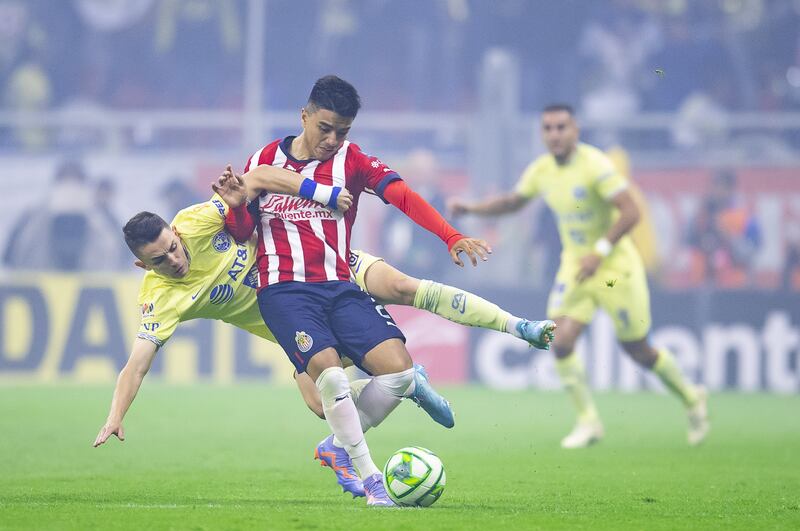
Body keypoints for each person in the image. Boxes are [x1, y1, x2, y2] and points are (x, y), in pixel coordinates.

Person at [93, 166, 555, 496]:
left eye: (172, 248)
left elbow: (263, 177)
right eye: (160, 260)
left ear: (175, 232)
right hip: (293, 319)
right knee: (321, 405)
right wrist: (116, 416)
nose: (174, 259)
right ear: (142, 265)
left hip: (321, 267)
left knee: (402, 286)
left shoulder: (195, 220)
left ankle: (517, 327)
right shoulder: (162, 297)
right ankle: (407, 382)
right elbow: (137, 364)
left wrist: (321, 192)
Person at [221, 75, 518, 507]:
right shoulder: (264, 159)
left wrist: (450, 236)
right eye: (325, 128)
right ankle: (373, 482)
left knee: (399, 372)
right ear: (304, 116)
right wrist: (234, 208)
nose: (332, 139)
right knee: (331, 374)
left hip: (339, 285)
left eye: (343, 131)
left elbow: (403, 196)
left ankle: (337, 446)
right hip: (283, 289)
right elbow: (245, 231)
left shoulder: (352, 160)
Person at [448, 104, 708, 449]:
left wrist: (599, 252)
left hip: (614, 266)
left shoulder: (597, 165)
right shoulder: (542, 169)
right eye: (548, 128)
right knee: (560, 338)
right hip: (576, 265)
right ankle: (588, 421)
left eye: (561, 127)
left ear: (576, 130)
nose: (555, 135)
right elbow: (513, 202)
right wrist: (471, 208)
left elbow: (632, 212)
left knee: (637, 349)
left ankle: (692, 398)